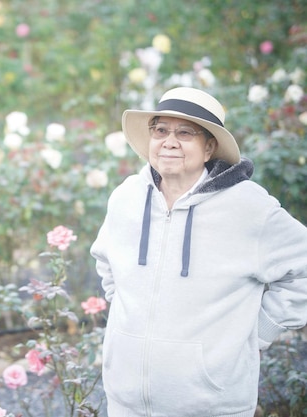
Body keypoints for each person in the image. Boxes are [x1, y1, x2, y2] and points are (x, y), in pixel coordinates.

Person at [90, 87, 307, 417]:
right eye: (160, 130)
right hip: (126, 402)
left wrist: (259, 331)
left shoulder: (249, 207)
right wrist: (126, 323)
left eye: (185, 132)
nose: (170, 141)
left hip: (212, 405)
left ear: (209, 147)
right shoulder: (126, 197)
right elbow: (107, 262)